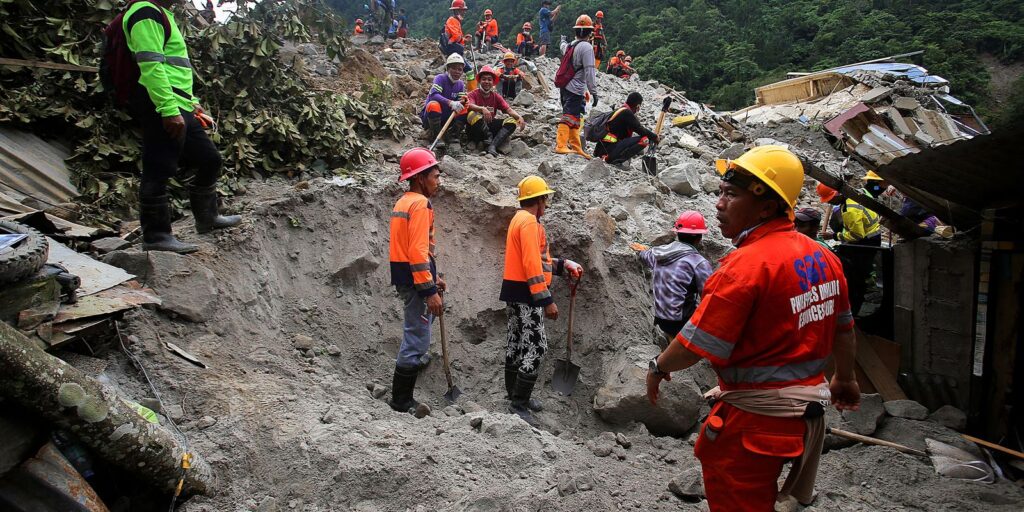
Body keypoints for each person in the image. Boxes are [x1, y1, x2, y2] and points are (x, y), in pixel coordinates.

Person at [646, 145, 860, 512]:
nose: (718, 204)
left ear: (767, 206)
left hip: (758, 423)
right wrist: (844, 377)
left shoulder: (743, 267)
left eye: (731, 194)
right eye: (720, 193)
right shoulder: (823, 256)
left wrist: (658, 366)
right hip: (806, 413)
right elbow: (843, 327)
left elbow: (694, 344)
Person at [122, 0, 241, 254]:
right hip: (161, 103)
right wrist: (167, 109)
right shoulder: (145, 12)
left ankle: (207, 218)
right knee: (159, 167)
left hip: (179, 103)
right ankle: (156, 236)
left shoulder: (161, 14)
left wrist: (192, 104)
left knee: (209, 159)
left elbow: (171, 68)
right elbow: (151, 65)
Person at [501, 176, 584, 426]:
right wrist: (546, 299)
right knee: (536, 346)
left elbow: (537, 260)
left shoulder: (521, 219)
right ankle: (519, 402)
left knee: (516, 343)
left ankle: (514, 395)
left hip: (515, 291)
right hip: (528, 294)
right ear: (537, 200)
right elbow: (531, 265)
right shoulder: (528, 223)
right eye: (545, 199)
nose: (546, 204)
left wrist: (562, 265)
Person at [388, 148, 447, 419]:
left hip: (406, 277)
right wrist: (428, 290)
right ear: (421, 178)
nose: (438, 181)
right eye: (435, 176)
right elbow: (417, 252)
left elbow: (410, 250)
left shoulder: (404, 202)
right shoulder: (421, 205)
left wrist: (433, 279)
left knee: (417, 332)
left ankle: (409, 376)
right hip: (415, 282)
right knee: (417, 338)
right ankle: (401, 400)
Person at [630, 211, 713, 342]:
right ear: (699, 238)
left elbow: (646, 256)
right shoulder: (699, 263)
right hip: (681, 322)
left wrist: (642, 251)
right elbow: (710, 297)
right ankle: (682, 346)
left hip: (661, 319)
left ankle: (670, 341)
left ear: (677, 234)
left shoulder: (658, 253)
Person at [817, 183, 881, 316]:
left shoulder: (850, 209)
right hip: (872, 234)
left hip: (866, 241)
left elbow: (857, 235)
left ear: (838, 195)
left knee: (858, 273)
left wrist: (834, 236)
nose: (830, 203)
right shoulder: (855, 193)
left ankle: (856, 304)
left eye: (830, 200)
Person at [555, 14, 598, 159]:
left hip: (565, 86)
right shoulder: (586, 48)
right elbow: (590, 70)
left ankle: (576, 146)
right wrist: (594, 92)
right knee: (569, 116)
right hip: (576, 88)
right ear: (589, 32)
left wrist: (562, 41)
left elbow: (563, 48)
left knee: (575, 117)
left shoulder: (571, 45)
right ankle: (561, 145)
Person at [464, 66, 526, 156]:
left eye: (489, 80)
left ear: (493, 82)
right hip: (475, 130)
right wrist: (482, 109)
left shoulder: (496, 96)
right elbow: (469, 105)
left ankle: (492, 145)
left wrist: (519, 117)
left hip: (489, 125)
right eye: (484, 79)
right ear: (479, 81)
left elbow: (508, 109)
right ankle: (486, 138)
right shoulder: (473, 94)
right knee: (471, 114)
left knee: (511, 121)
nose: (487, 82)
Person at [419, 53, 468, 155]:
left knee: (464, 109)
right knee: (433, 104)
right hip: (431, 118)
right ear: (448, 68)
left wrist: (463, 101)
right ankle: (437, 135)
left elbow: (460, 101)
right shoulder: (440, 78)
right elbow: (434, 95)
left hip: (447, 119)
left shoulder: (460, 84)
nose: (457, 72)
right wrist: (450, 102)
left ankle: (453, 136)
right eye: (454, 68)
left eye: (460, 69)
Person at [593, 92, 659, 165]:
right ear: (638, 106)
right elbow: (640, 130)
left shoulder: (621, 110)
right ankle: (614, 160)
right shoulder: (627, 113)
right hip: (607, 151)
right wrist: (655, 137)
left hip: (601, 149)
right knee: (644, 140)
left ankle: (612, 157)